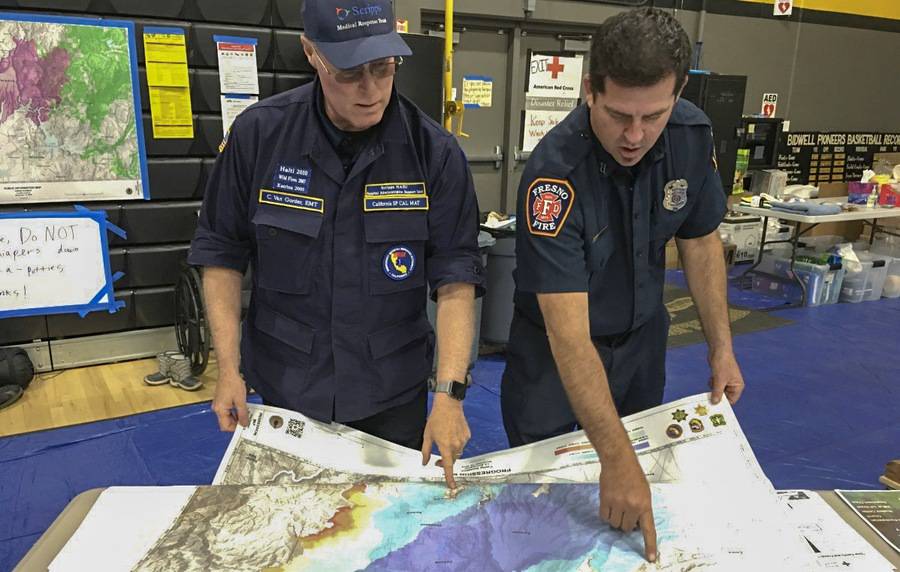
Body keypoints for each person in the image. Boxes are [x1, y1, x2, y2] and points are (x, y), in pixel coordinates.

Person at [188, 0, 484, 488]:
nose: (371, 89)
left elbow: (457, 277)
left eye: (384, 67)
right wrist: (228, 369)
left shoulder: (434, 152)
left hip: (392, 394)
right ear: (311, 53)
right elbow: (221, 255)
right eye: (349, 72)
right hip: (289, 388)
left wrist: (450, 395)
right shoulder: (260, 136)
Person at [501, 8, 746, 562]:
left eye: (652, 116)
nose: (635, 136)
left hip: (641, 348)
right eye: (618, 116)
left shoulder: (689, 134)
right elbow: (568, 336)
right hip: (554, 364)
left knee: (628, 515)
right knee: (548, 512)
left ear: (679, 93)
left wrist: (721, 348)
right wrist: (614, 458)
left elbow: (701, 240)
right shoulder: (554, 176)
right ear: (590, 91)